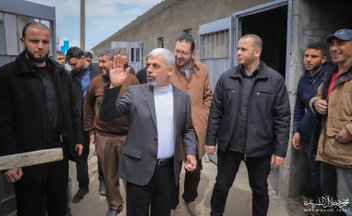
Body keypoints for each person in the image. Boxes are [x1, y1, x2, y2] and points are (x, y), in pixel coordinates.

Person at [0, 22, 83, 216]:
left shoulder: (61, 74)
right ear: (23, 40)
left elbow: (72, 111)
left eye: (45, 41)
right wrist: (9, 161)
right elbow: (1, 123)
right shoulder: (6, 76)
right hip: (26, 153)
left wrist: (76, 139)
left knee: (59, 205)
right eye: (34, 41)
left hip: (57, 150)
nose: (40, 46)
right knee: (30, 208)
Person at [99, 48, 197, 216]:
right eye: (148, 65)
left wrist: (190, 152)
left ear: (170, 70)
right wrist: (114, 86)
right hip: (138, 169)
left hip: (167, 172)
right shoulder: (135, 92)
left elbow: (188, 130)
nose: (149, 70)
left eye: (155, 66)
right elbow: (107, 116)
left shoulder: (183, 98)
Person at [205, 34, 291, 216]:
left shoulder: (274, 80)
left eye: (243, 49)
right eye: (238, 48)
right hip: (230, 145)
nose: (238, 52)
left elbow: (282, 117)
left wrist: (280, 150)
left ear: (257, 52)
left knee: (260, 189)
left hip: (260, 148)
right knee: (221, 186)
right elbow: (216, 112)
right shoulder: (227, 78)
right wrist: (210, 140)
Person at [84, 50, 139, 216]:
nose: (100, 65)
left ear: (115, 62)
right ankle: (115, 205)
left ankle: (134, 205)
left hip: (128, 136)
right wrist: (90, 132)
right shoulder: (96, 82)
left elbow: (140, 107)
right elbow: (88, 107)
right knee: (109, 175)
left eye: (103, 61)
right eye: (99, 61)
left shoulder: (132, 80)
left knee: (130, 174)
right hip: (104, 136)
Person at [310, 28, 352, 215]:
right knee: (329, 199)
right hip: (326, 150)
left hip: (346, 156)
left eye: (340, 43)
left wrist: (350, 130)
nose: (334, 48)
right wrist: (315, 102)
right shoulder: (331, 73)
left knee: (345, 205)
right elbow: (317, 96)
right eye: (332, 44)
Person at [169, 34, 212, 216]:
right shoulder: (168, 68)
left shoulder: (202, 70)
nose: (179, 56)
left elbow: (208, 96)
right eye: (177, 51)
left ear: (193, 53)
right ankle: (171, 198)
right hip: (171, 129)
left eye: (184, 53)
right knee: (172, 168)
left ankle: (190, 198)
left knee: (195, 169)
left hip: (195, 129)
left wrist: (202, 115)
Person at [292, 43, 331, 211]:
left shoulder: (331, 75)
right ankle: (315, 203)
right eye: (306, 56)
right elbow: (299, 108)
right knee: (314, 170)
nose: (308, 59)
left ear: (323, 59)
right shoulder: (303, 80)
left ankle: (308, 194)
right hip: (308, 134)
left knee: (326, 174)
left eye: (313, 56)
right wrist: (297, 130)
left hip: (329, 135)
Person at [66, 46, 102, 203]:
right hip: (79, 121)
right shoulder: (70, 76)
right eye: (70, 65)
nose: (72, 68)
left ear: (82, 58)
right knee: (81, 154)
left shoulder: (98, 69)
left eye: (74, 64)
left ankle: (103, 181)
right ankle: (83, 186)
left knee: (102, 152)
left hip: (99, 119)